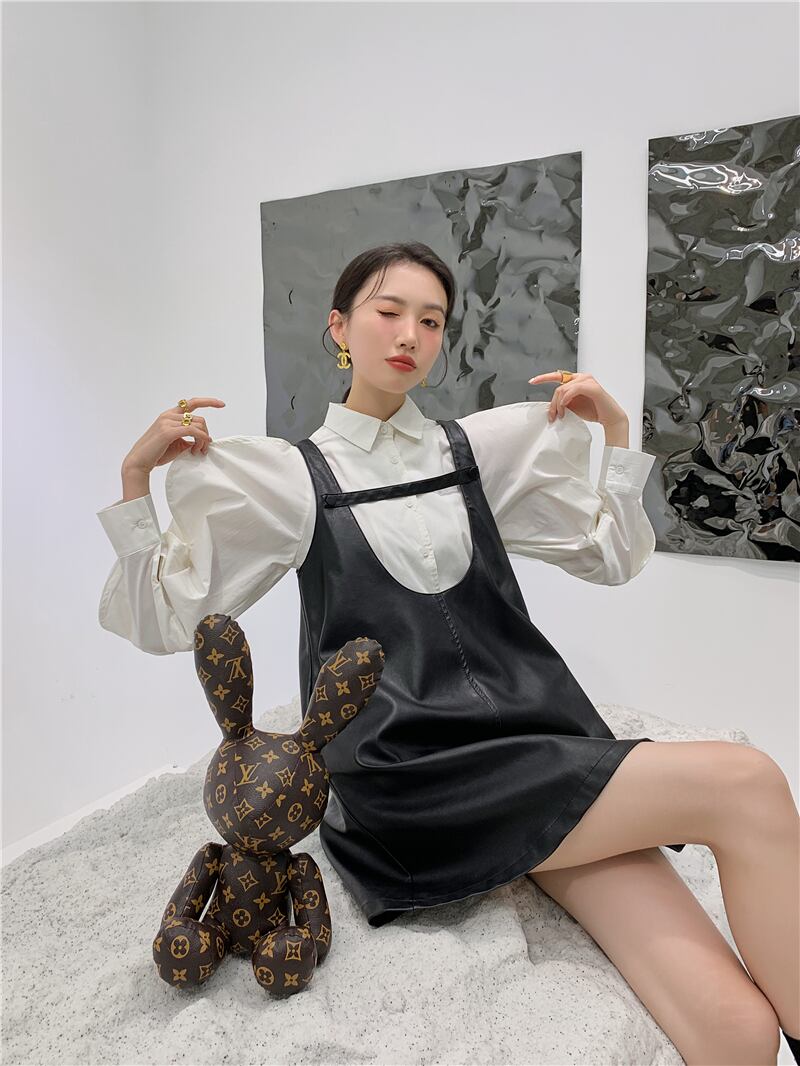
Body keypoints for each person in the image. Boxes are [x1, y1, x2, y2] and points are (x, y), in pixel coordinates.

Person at [97, 242, 799, 1064]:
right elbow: (162, 621)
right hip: (413, 781)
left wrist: (615, 436)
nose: (410, 335)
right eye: (389, 312)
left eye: (431, 321)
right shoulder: (289, 479)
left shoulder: (478, 452)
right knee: (747, 782)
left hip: (532, 753)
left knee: (736, 1029)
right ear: (339, 327)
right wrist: (135, 482)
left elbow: (611, 558)